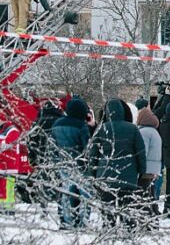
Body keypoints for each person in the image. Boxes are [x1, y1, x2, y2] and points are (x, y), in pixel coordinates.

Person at [87, 100, 147, 229]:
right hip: (128, 174)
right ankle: (128, 231)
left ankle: (109, 230)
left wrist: (92, 172)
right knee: (127, 208)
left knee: (108, 210)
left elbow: (93, 154)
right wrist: (142, 171)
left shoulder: (102, 129)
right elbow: (140, 152)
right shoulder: (132, 128)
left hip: (106, 174)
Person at [51, 98, 90, 229]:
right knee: (85, 193)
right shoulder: (81, 126)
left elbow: (52, 145)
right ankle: (83, 221)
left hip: (62, 162)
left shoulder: (57, 124)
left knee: (66, 191)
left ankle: (67, 220)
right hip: (79, 163)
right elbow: (87, 147)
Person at [27, 99, 64, 207]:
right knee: (57, 180)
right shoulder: (60, 121)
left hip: (40, 156)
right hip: (57, 156)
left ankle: (44, 204)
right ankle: (57, 202)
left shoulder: (37, 122)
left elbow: (31, 142)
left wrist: (33, 159)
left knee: (43, 180)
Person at [136, 104, 162, 221]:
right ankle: (154, 213)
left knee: (144, 194)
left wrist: (138, 166)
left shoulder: (144, 132)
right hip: (154, 167)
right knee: (151, 193)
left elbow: (143, 151)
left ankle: (148, 217)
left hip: (146, 168)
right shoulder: (154, 132)